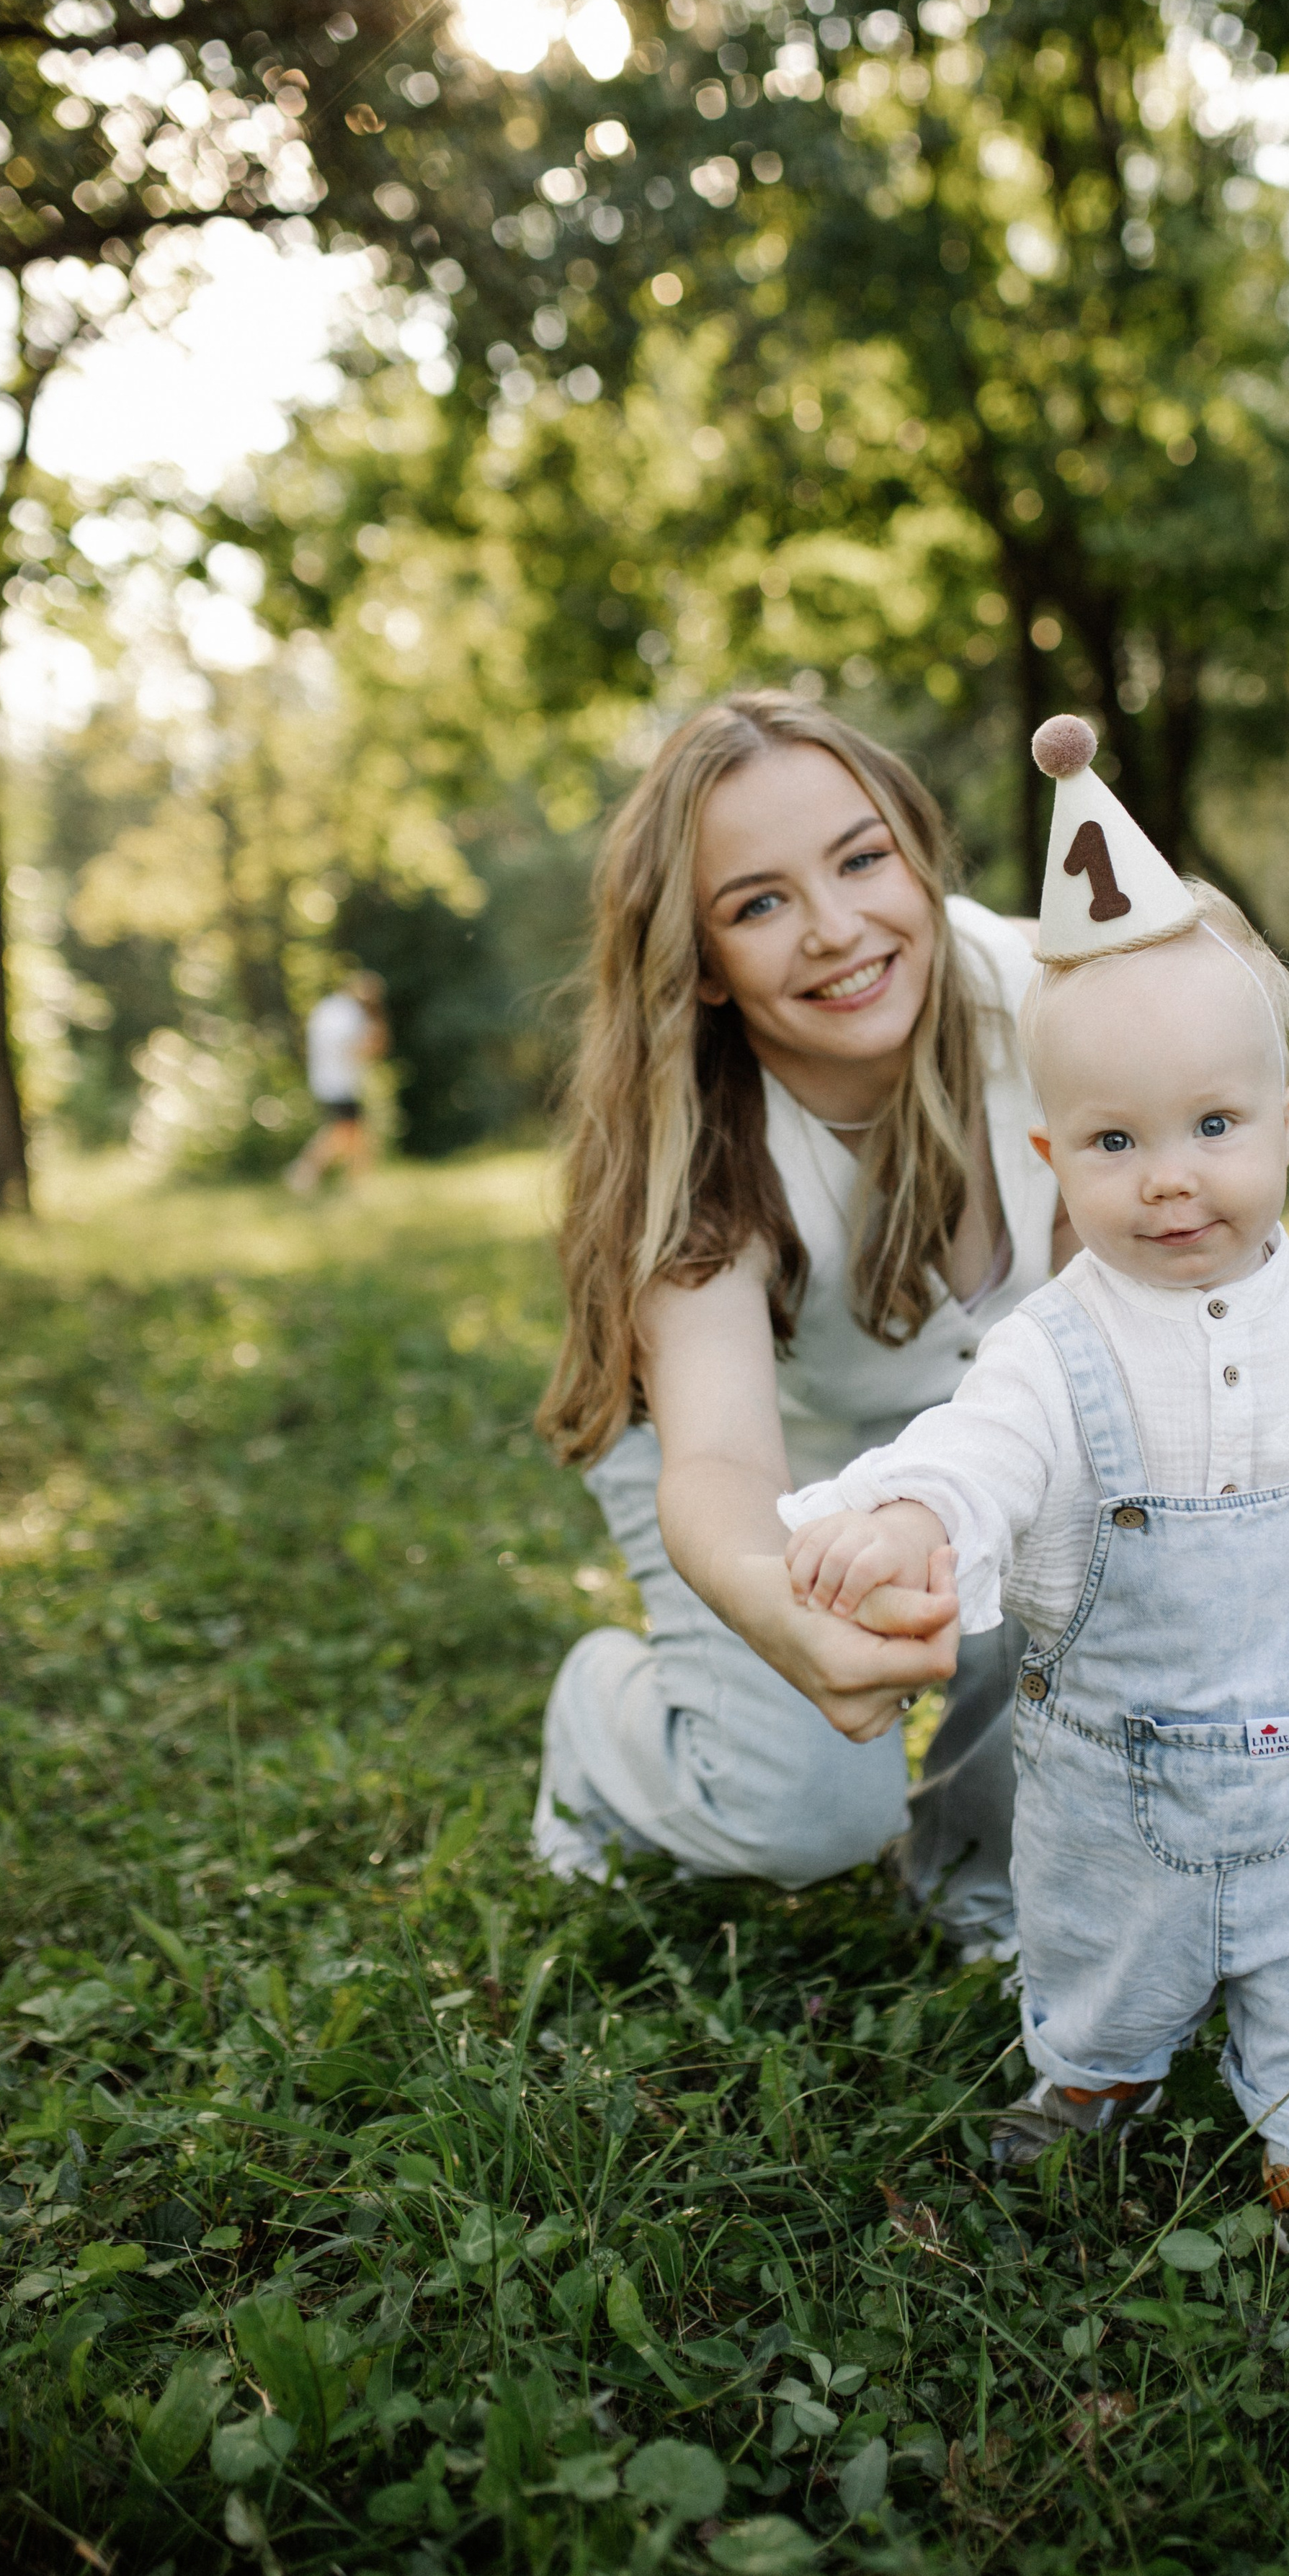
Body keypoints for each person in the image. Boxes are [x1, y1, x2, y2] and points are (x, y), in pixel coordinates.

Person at [780, 717, 1289, 2278]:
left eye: (1210, 1129)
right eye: (1114, 1143)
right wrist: (915, 1521)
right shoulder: (1050, 1347)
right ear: (1052, 1157)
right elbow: (978, 1450)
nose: (1169, 1178)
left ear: (1283, 1121)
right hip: (1116, 1770)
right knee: (1100, 1949)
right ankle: (1094, 2076)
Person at [532, 691, 1067, 1955]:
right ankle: (599, 1721)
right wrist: (781, 1607)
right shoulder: (697, 1131)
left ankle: (980, 1872)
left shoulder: (1055, 1002)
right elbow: (720, 1459)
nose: (837, 930)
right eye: (758, 903)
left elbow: (1126, 1343)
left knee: (1095, 1517)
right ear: (703, 962)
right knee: (809, 1817)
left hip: (977, 1427)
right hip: (766, 1457)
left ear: (918, 848)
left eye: (862, 858)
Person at [287, 971, 388, 1192]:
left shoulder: (327, 1008)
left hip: (326, 1079)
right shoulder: (350, 1014)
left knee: (355, 1135)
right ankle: (302, 1174)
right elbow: (365, 1049)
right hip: (341, 1082)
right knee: (341, 1134)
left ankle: (355, 1183)